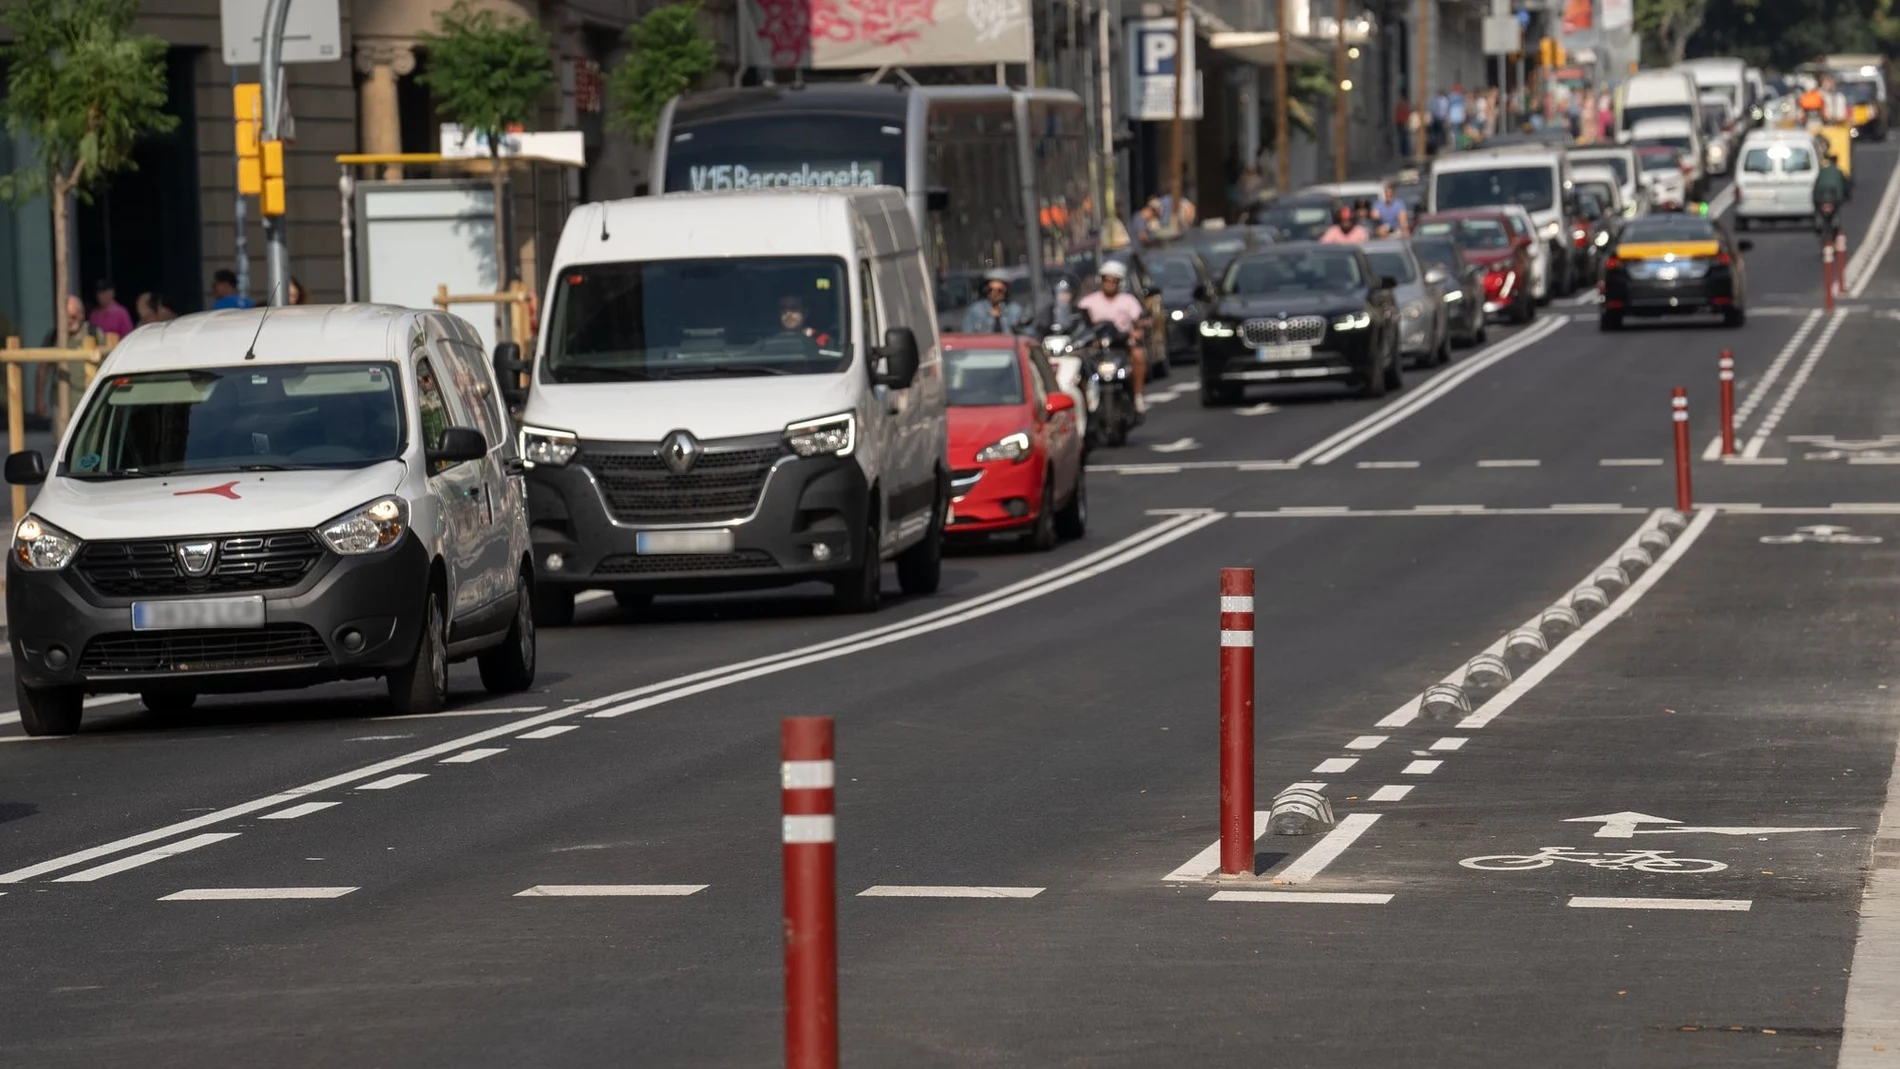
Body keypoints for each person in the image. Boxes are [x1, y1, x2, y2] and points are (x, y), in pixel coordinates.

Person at [1077, 260, 1149, 412]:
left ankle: (1137, 395)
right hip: (1097, 347)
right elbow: (1079, 323)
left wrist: (1138, 332)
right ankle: (1084, 404)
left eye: (1113, 281)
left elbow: (1139, 320)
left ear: (1119, 283)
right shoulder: (1088, 302)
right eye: (1106, 280)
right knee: (1079, 366)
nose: (1109, 284)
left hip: (1122, 344)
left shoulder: (1128, 301)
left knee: (1139, 355)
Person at [37, 294, 104, 425]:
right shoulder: (53, 336)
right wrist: (39, 399)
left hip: (89, 401)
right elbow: (42, 368)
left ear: (81, 314)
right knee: (62, 443)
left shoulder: (94, 334)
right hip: (60, 405)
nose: (69, 321)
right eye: (65, 317)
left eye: (72, 316)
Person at [961, 273, 1026, 334]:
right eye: (990, 290)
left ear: (1006, 291)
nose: (995, 294)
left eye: (999, 290)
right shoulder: (976, 310)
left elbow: (1028, 334)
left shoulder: (1015, 310)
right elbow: (967, 334)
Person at [1394, 92, 1413, 158]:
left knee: (1405, 138)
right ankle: (1403, 153)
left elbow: (1407, 114)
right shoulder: (1399, 105)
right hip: (1399, 123)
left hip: (1404, 123)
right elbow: (1397, 115)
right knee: (1401, 139)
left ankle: (1406, 153)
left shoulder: (1405, 105)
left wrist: (1407, 121)